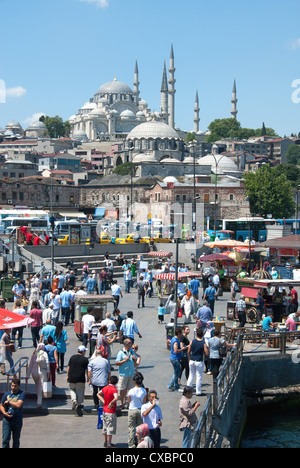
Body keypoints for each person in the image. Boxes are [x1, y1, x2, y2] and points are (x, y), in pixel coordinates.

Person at [0, 378, 25, 448]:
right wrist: (4, 413)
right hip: (7, 420)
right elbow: (1, 405)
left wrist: (9, 402)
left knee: (16, 440)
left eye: (15, 386)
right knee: (5, 439)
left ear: (19, 386)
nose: (13, 387)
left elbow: (18, 405)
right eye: (12, 386)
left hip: (17, 420)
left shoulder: (21, 394)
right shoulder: (6, 394)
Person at [115, 338, 137, 410]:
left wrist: (134, 358)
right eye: (130, 343)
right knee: (122, 389)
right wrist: (125, 360)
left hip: (131, 373)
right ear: (126, 344)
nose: (132, 344)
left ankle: (129, 403)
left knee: (131, 390)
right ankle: (122, 402)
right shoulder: (121, 352)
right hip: (123, 374)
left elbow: (136, 361)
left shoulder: (132, 351)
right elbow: (116, 363)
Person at [97, 375, 119, 448]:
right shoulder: (114, 389)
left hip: (104, 410)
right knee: (110, 428)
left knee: (105, 427)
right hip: (111, 411)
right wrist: (111, 403)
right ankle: (109, 444)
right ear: (116, 382)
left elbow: (98, 394)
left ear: (109, 381)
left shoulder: (105, 388)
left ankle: (105, 442)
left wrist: (104, 401)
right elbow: (116, 398)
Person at [127, 372, 147, 448]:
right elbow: (144, 402)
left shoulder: (131, 391)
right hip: (140, 410)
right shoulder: (144, 390)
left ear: (134, 381)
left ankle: (131, 445)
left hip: (132, 410)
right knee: (140, 428)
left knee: (131, 428)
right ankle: (140, 443)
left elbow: (129, 401)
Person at [67, 345, 89, 415]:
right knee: (80, 391)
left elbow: (68, 367)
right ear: (82, 351)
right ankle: (79, 404)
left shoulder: (72, 357)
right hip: (80, 378)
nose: (85, 352)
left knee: (72, 389)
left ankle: (74, 400)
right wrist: (88, 378)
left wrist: (67, 376)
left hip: (71, 377)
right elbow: (87, 370)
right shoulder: (85, 359)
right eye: (85, 351)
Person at [26, 343, 49, 408]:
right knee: (40, 386)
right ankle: (39, 401)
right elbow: (47, 363)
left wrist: (27, 375)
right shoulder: (44, 354)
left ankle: (39, 398)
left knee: (37, 385)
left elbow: (30, 365)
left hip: (34, 372)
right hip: (42, 372)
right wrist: (48, 372)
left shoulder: (34, 355)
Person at [186, 328, 208, 396]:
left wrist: (189, 359)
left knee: (191, 375)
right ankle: (198, 392)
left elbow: (189, 351)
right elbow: (207, 353)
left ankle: (188, 390)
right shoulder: (203, 343)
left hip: (192, 360)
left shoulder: (192, 341)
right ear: (202, 335)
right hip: (199, 361)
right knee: (199, 376)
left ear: (196, 334)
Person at [168, 327, 188, 392]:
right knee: (177, 373)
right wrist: (183, 349)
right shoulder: (176, 341)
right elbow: (176, 350)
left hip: (174, 358)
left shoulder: (174, 339)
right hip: (175, 358)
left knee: (176, 372)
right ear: (178, 333)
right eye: (181, 333)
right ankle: (173, 386)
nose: (182, 334)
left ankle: (173, 385)